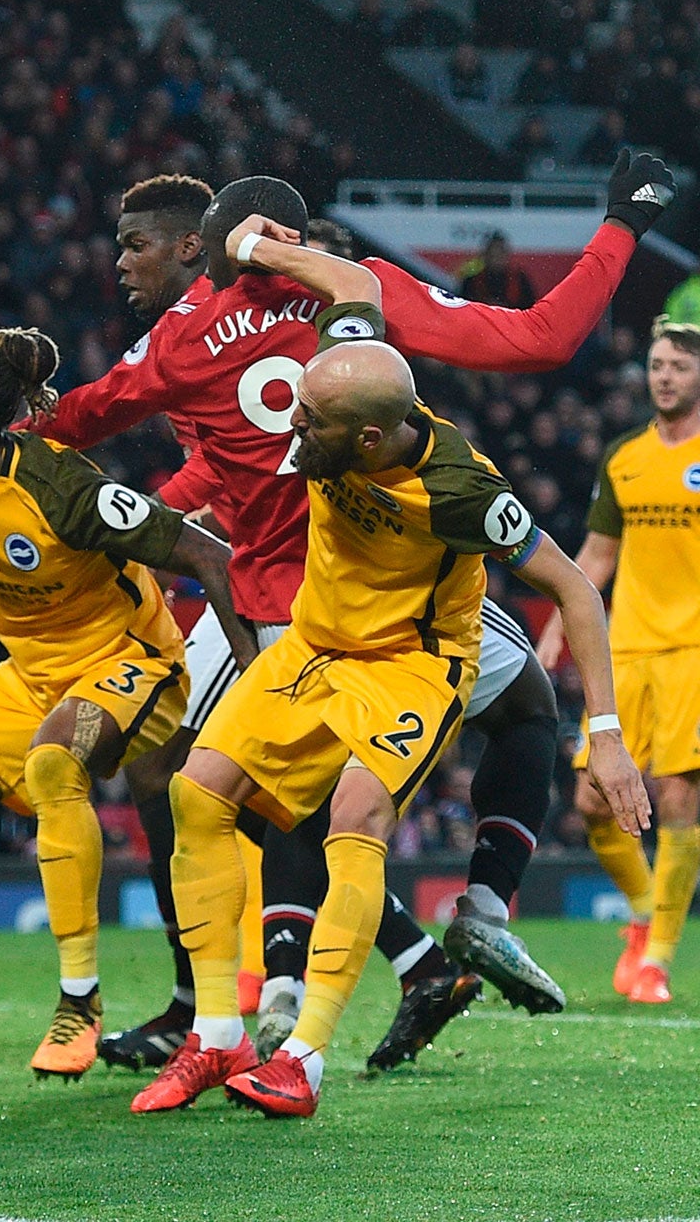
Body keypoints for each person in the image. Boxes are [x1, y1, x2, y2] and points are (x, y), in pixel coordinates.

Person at [49, 156, 675, 1073]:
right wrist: (624, 219)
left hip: (277, 596)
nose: (122, 265)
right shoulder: (362, 296)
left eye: (135, 247)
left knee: (219, 788)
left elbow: (91, 420)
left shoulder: (181, 337)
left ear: (208, 248)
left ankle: (227, 1011)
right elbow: (541, 336)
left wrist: (1, 421)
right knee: (520, 714)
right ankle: (461, 927)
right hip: (399, 576)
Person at [0, 327, 255, 1095]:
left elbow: (208, 554)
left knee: (53, 760)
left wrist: (260, 680)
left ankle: (79, 1000)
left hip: (132, 662)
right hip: (31, 674)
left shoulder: (64, 490)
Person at [536, 317, 700, 1003]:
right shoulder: (625, 456)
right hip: (626, 645)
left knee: (678, 796)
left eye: (678, 367)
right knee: (593, 799)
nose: (664, 376)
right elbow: (596, 558)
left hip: (694, 648)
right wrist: (552, 630)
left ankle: (658, 958)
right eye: (658, 365)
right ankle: (641, 913)